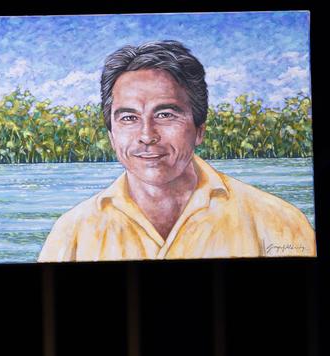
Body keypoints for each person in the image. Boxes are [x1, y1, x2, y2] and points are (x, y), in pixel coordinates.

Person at [38, 40, 316, 261]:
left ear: (199, 130)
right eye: (129, 118)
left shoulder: (278, 221)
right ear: (111, 135)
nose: (147, 136)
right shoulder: (72, 232)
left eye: (165, 115)